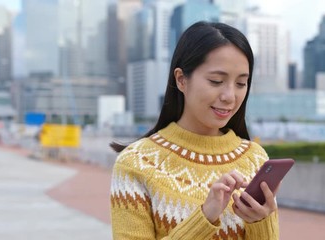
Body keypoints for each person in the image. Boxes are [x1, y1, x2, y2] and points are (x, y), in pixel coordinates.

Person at [110, 21, 279, 239]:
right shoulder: (136, 163)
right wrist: (205, 218)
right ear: (181, 79)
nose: (230, 96)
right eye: (216, 81)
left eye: (241, 84)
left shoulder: (256, 159)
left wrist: (260, 222)